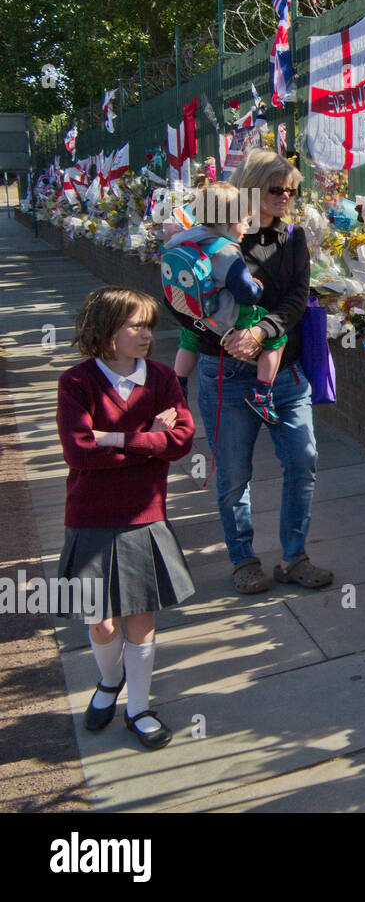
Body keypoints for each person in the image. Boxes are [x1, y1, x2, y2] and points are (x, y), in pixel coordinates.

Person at [181, 148, 333, 595]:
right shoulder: (211, 235)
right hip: (225, 372)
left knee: (303, 459)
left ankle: (294, 557)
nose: (286, 196)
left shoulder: (292, 238)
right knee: (232, 474)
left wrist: (262, 331)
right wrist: (220, 330)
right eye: (276, 189)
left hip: (284, 371)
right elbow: (180, 296)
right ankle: (243, 559)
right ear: (251, 187)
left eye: (291, 189)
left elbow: (296, 298)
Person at [57, 288, 195, 750]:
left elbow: (179, 443)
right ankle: (108, 681)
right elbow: (79, 452)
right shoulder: (76, 383)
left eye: (149, 326)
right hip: (91, 517)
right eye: (135, 325)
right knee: (100, 622)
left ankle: (138, 706)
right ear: (106, 330)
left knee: (140, 617)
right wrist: (144, 443)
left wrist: (112, 438)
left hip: (144, 517)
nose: (146, 335)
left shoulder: (161, 379)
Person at [164, 180, 287, 424]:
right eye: (243, 221)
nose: (246, 227)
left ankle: (178, 385)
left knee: (188, 341)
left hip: (194, 312)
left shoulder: (186, 238)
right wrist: (257, 286)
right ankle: (262, 394)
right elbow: (245, 294)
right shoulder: (228, 252)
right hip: (226, 317)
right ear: (225, 223)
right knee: (278, 338)